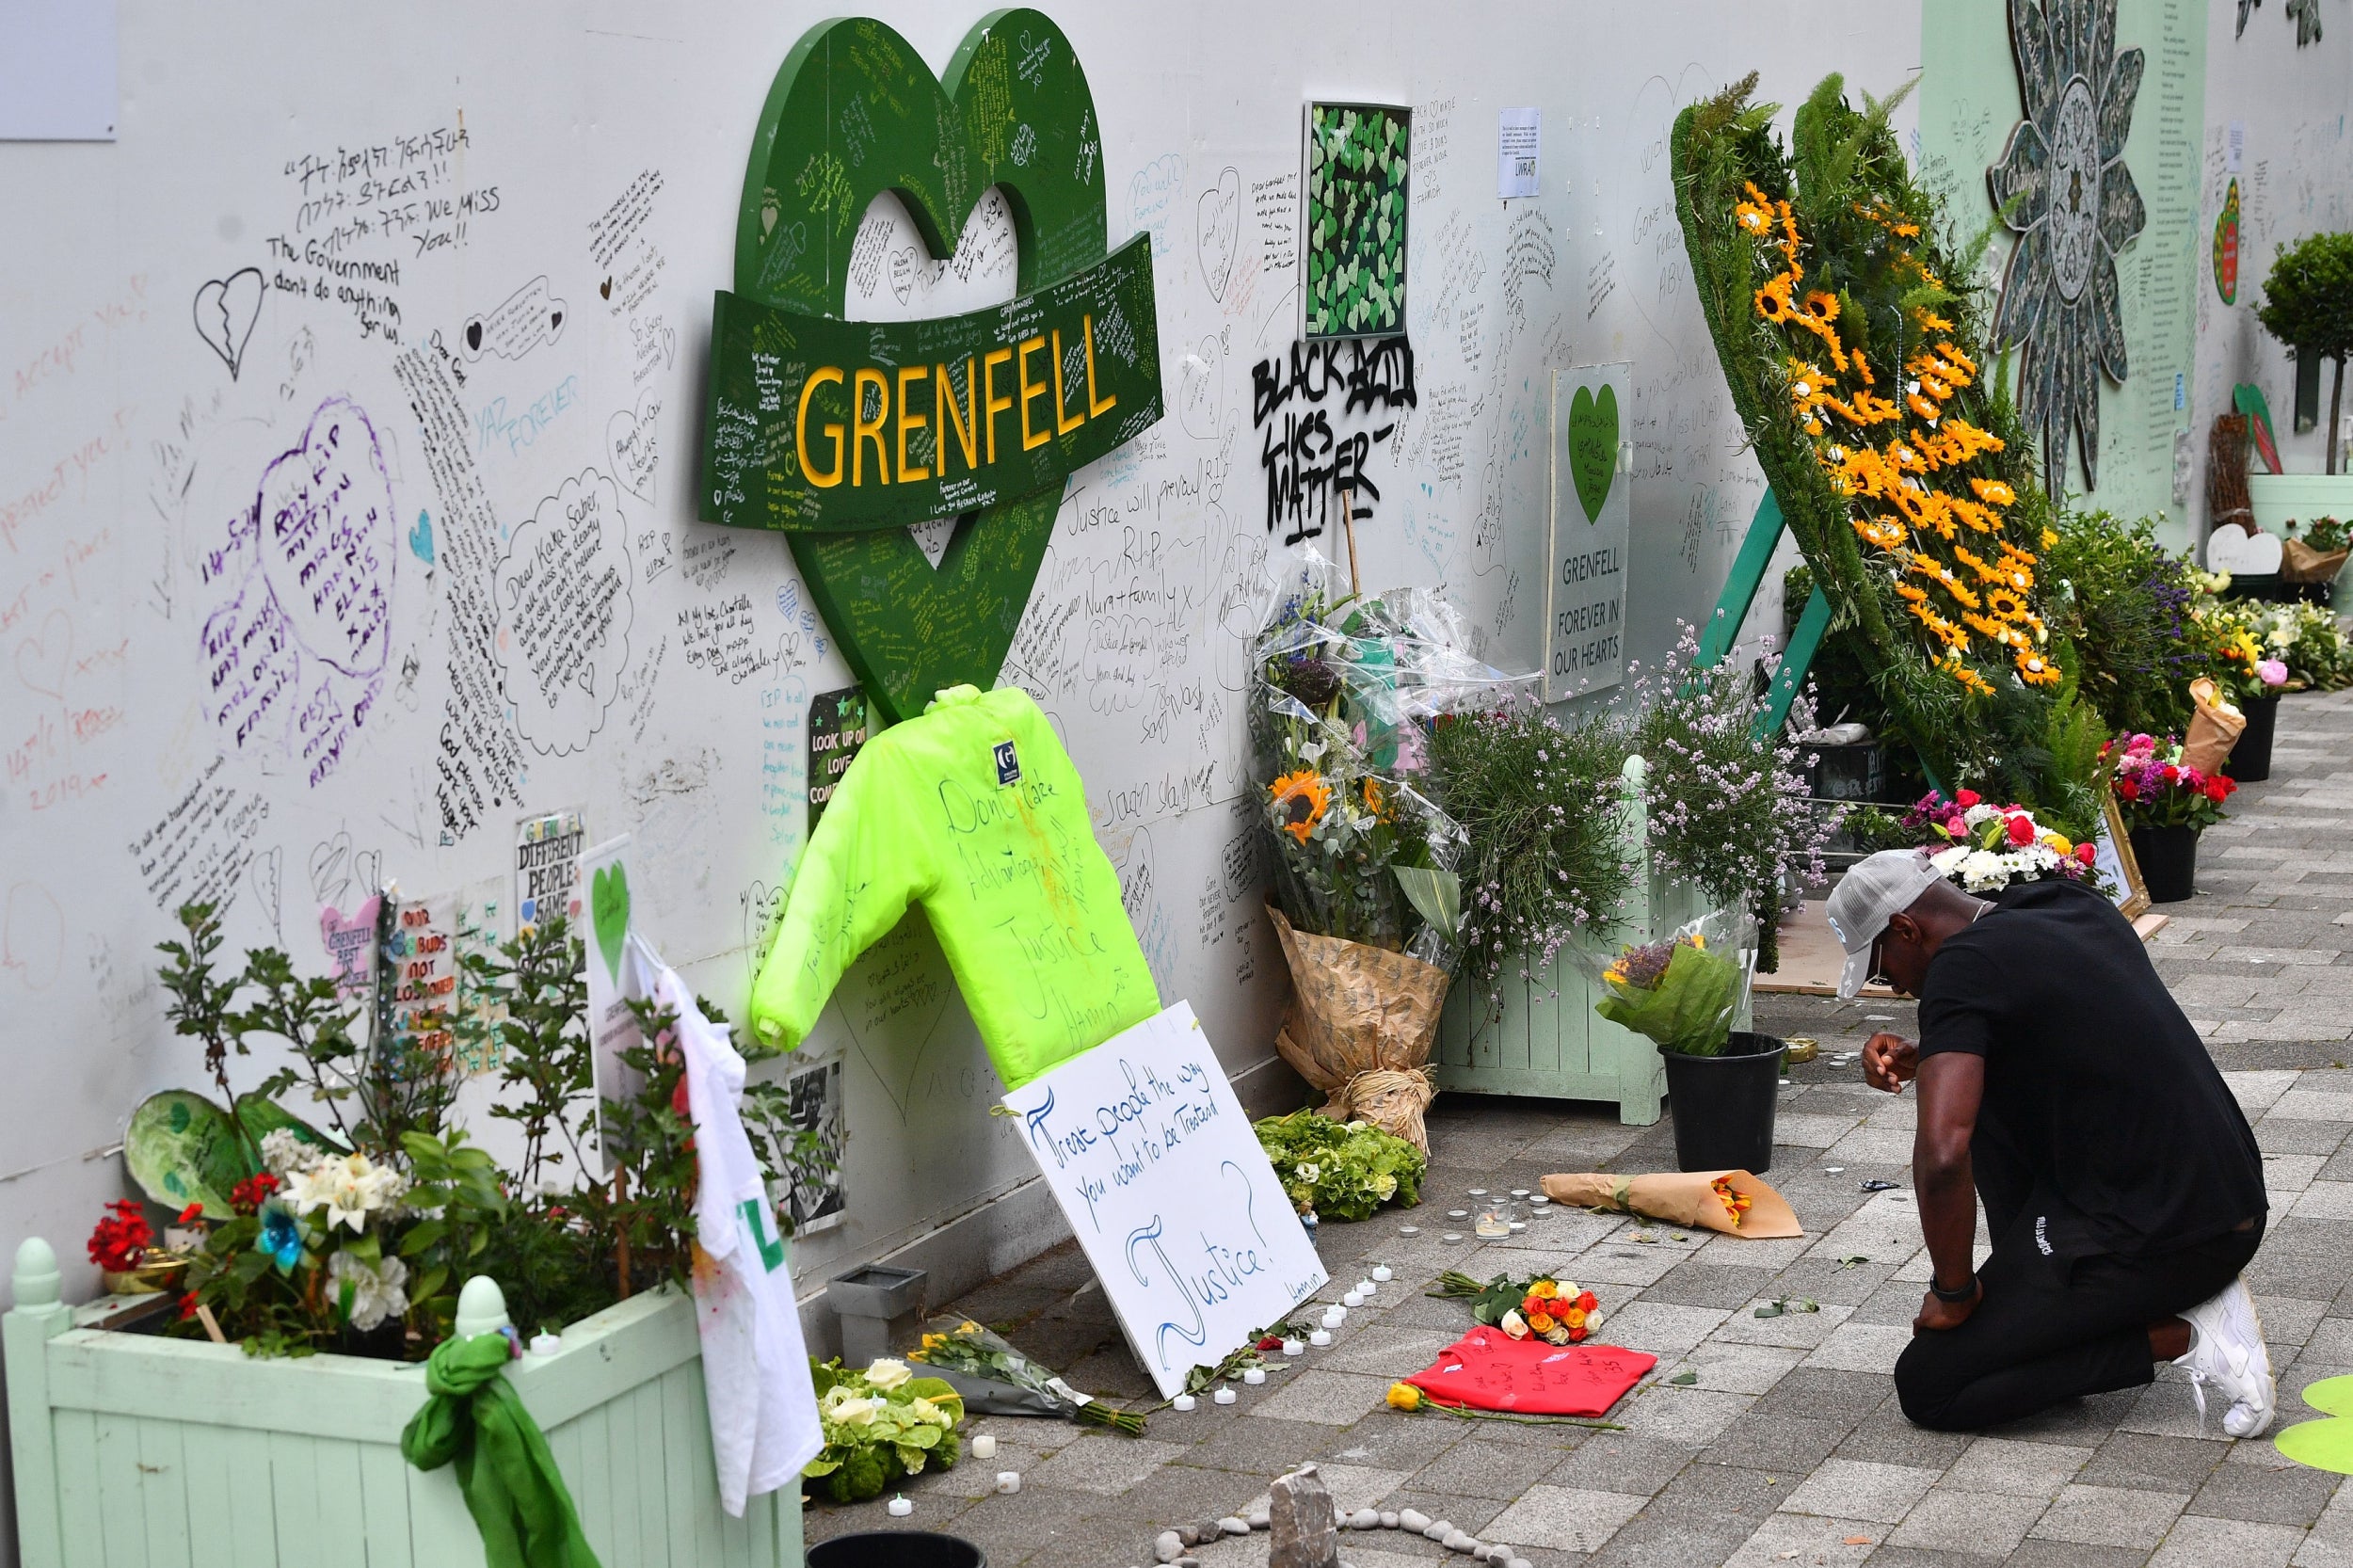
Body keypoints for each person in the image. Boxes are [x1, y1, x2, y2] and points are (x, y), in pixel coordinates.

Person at [1822, 848, 2273, 1434]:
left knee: (1932, 1386)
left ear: (1907, 928)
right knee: (1981, 1103)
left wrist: (1953, 1290)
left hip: (2167, 1232)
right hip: (2221, 1196)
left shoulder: (1961, 970)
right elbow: (2061, 1026)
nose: (1898, 988)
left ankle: (2190, 1333)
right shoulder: (2062, 901)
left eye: (1885, 969)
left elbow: (1941, 1157)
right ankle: (2052, 1320)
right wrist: (1936, 1057)